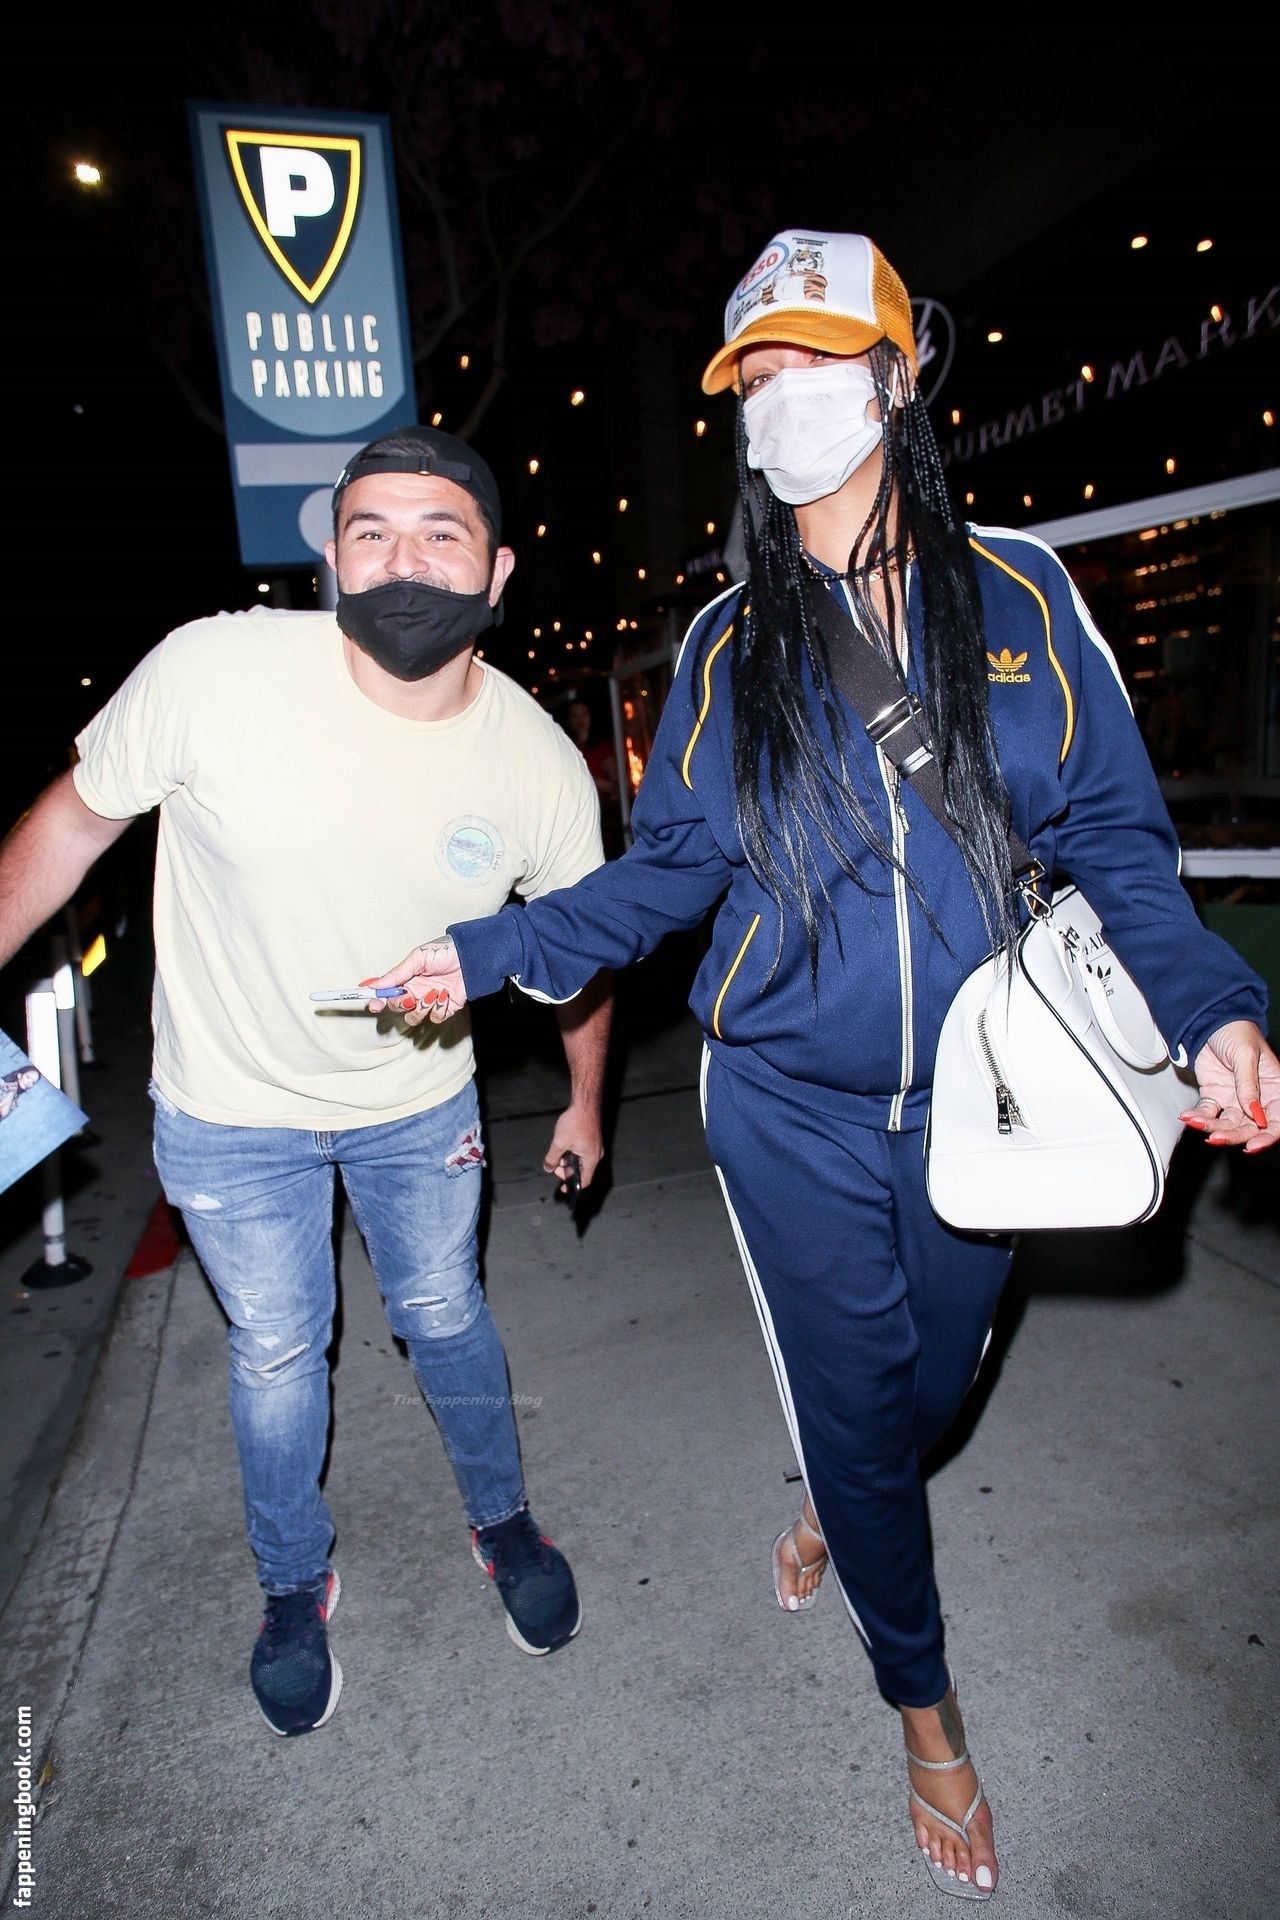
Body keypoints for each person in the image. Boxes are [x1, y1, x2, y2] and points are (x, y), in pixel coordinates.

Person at [361, 232, 1278, 1899]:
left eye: (814, 364)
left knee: (931, 1391)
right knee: (859, 1408)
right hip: (787, 1105)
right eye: (757, 377)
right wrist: (491, 950)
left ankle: (841, 1500)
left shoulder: (1024, 596)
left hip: (992, 1106)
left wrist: (1216, 1007)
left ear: (898, 376)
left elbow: (1121, 846)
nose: (783, 401)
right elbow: (664, 877)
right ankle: (923, 1708)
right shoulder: (727, 646)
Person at [0, 424, 612, 1738]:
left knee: (443, 1310)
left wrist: (584, 1101)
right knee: (277, 1353)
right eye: (370, 532)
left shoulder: (537, 762)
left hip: (417, 1107)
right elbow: (70, 825)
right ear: (331, 555)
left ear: (498, 570)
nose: (404, 560)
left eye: (440, 533)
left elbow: (580, 955)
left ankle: (503, 1522)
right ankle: (291, 1583)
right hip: (230, 1113)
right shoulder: (212, 672)